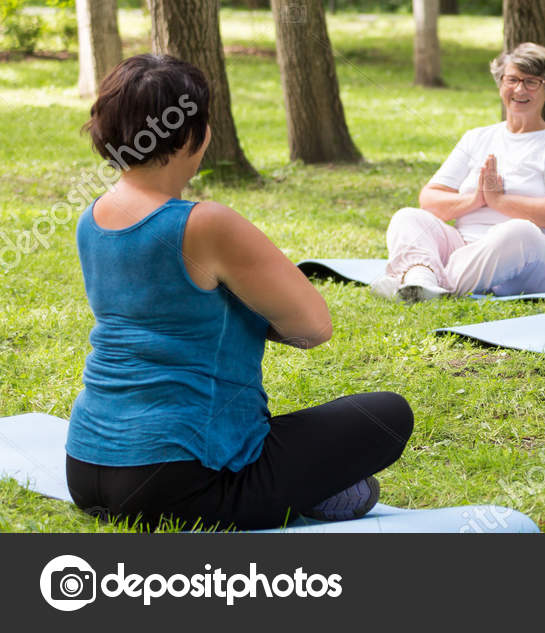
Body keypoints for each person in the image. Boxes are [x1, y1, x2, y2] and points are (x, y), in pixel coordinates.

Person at [68, 55, 413, 530]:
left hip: (85, 470)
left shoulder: (93, 217)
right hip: (179, 482)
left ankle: (311, 491)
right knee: (388, 415)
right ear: (198, 133)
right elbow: (314, 328)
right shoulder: (205, 223)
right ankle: (306, 492)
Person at [372, 42, 545, 302]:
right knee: (407, 218)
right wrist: (475, 199)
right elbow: (430, 200)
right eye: (512, 79)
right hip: (468, 249)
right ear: (501, 85)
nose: (520, 89)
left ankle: (423, 281)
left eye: (532, 82)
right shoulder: (477, 138)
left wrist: (500, 201)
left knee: (519, 231)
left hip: (538, 257)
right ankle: (421, 283)